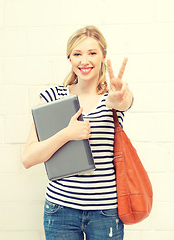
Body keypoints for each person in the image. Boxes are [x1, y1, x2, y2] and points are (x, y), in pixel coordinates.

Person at [22, 25, 133, 240]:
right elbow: (28, 158)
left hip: (106, 212)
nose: (84, 60)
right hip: (60, 210)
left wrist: (120, 96)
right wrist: (67, 134)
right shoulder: (52, 97)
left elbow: (123, 101)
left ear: (103, 56)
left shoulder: (113, 98)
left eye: (92, 53)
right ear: (70, 58)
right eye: (77, 54)